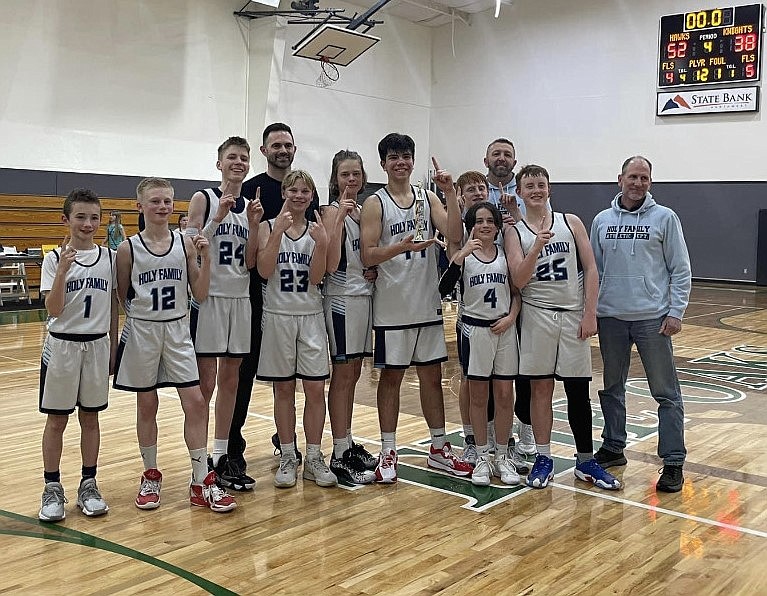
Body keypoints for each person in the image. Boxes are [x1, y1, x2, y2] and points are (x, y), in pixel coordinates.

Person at [113, 177, 237, 512]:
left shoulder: (185, 243)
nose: (163, 207)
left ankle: (201, 479)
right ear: (140, 206)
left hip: (178, 330)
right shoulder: (128, 249)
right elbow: (123, 295)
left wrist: (207, 260)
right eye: (155, 201)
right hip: (143, 332)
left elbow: (199, 292)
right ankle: (150, 474)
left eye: (167, 201)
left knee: (196, 402)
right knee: (146, 405)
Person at [359, 132, 470, 483]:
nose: (401, 162)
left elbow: (455, 235)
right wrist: (401, 248)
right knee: (391, 378)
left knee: (431, 378)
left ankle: (439, 448)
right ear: (383, 163)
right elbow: (368, 253)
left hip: (426, 303)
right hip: (393, 306)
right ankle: (388, 450)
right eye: (394, 157)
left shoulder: (427, 197)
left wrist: (450, 191)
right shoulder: (376, 202)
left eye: (406, 156)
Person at [506, 164, 621, 491]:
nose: (536, 190)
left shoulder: (571, 222)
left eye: (541, 184)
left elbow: (591, 269)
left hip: (572, 316)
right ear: (520, 192)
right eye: (529, 186)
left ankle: (586, 461)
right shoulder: (514, 232)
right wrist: (538, 245)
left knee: (578, 392)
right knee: (540, 390)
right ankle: (543, 457)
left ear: (549, 188)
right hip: (537, 314)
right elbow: (518, 279)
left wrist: (590, 313)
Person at [590, 156, 691, 493]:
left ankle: (673, 461)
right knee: (612, 388)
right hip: (612, 318)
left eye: (644, 178)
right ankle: (613, 446)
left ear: (650, 182)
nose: (637, 183)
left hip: (653, 319)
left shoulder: (665, 218)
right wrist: (593, 310)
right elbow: (595, 271)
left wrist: (675, 311)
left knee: (666, 393)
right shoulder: (603, 220)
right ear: (620, 179)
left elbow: (680, 268)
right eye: (632, 177)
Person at [236, 123, 317, 469]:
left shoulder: (307, 195)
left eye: (288, 144)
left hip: (295, 299)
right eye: (276, 145)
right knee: (245, 373)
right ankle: (232, 447)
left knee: (298, 379)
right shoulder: (249, 191)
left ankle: (288, 440)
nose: (283, 150)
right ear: (264, 150)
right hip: (253, 294)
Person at [37, 188, 119, 522]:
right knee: (57, 420)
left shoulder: (109, 258)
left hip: (97, 345)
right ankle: (52, 487)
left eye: (94, 217)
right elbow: (53, 309)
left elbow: (113, 305)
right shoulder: (53, 259)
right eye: (81, 217)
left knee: (91, 417)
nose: (88, 224)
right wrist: (61, 273)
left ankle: (89, 482)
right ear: (66, 219)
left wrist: (114, 345)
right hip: (62, 347)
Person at [187, 136, 261, 492]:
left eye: (243, 158)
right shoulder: (204, 197)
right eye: (232, 157)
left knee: (231, 380)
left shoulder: (251, 206)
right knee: (206, 383)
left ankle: (220, 456)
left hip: (239, 298)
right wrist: (217, 219)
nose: (238, 162)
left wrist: (255, 227)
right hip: (209, 297)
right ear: (219, 163)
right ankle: (198, 464)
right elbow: (191, 244)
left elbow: (250, 261)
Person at [256, 170, 335, 488]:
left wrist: (322, 245)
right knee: (284, 390)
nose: (300, 195)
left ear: (312, 195)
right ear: (285, 193)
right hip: (278, 315)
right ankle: (288, 455)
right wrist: (277, 233)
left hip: (310, 315)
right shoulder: (266, 227)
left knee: (316, 390)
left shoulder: (318, 230)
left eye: (306, 191)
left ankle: (314, 457)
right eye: (294, 190)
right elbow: (263, 270)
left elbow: (316, 277)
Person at [438, 202, 521, 486]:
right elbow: (443, 289)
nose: (485, 225)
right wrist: (459, 256)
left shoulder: (505, 256)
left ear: (497, 226)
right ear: (470, 225)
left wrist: (511, 317)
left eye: (490, 220)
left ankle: (502, 455)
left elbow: (517, 293)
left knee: (504, 395)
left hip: (504, 330)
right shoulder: (465, 256)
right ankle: (482, 456)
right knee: (477, 396)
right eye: (479, 220)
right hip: (475, 331)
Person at [321, 150, 378, 485]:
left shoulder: (364, 211)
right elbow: (329, 260)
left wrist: (373, 269)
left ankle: (347, 440)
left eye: (356, 174)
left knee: (354, 374)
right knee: (342, 375)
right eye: (345, 174)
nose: (352, 180)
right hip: (340, 300)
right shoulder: (331, 211)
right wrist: (340, 218)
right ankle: (338, 452)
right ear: (335, 178)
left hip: (363, 297)